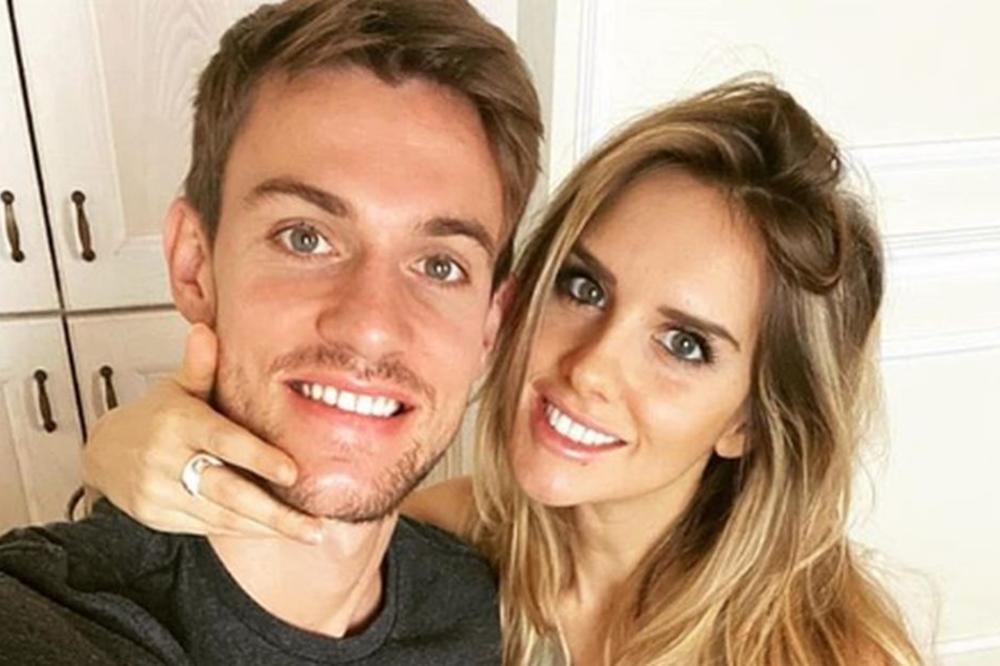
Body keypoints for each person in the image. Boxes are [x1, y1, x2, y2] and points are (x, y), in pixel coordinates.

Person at [82, 81, 924, 665]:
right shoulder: (439, 545)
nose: (589, 368)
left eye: (685, 344)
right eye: (583, 288)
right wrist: (116, 457)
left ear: (749, 420)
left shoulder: (830, 655)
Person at [0, 1, 543, 664]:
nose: (371, 327)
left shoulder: (477, 604)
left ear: (489, 326)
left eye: (439, 265)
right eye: (305, 237)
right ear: (195, 265)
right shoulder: (46, 617)